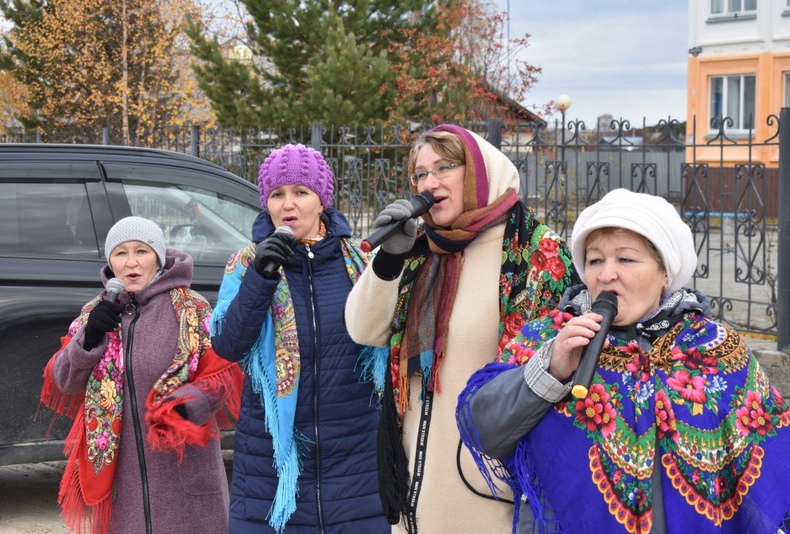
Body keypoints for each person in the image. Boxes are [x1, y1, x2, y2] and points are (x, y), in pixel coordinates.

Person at [456, 188, 790, 533]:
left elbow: (773, 464)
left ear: (665, 271)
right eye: (595, 260)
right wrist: (549, 371)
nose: (605, 275)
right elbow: (484, 432)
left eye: (626, 259)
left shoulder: (715, 347)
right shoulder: (549, 337)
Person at [344, 124, 579, 533]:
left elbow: (549, 377)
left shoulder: (535, 252)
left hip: (490, 491)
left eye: (443, 168)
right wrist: (387, 261)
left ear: (477, 172)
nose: (428, 182)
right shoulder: (419, 248)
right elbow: (364, 330)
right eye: (420, 173)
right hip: (413, 489)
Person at [210, 143, 389, 533]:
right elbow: (227, 344)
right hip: (270, 461)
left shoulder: (359, 262)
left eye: (300, 192)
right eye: (277, 195)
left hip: (355, 455)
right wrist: (262, 275)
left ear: (321, 200)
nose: (287, 205)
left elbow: (389, 337)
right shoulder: (247, 262)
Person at [40, 216, 242, 534]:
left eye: (142, 251)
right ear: (110, 261)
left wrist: (188, 405)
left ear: (158, 258)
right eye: (120, 253)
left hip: (184, 475)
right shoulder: (94, 314)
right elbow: (64, 381)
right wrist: (88, 339)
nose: (131, 262)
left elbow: (222, 378)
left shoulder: (191, 309)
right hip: (124, 486)